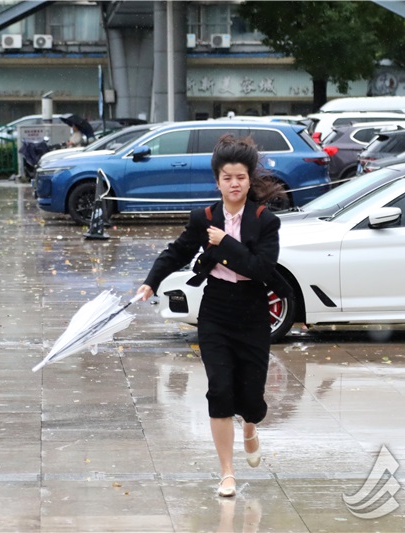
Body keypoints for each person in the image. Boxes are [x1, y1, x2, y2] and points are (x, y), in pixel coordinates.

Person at [136, 135, 286, 498]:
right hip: (216, 308)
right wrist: (150, 283)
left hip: (252, 311)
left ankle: (250, 427)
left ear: (250, 180)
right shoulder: (203, 218)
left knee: (251, 397)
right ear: (217, 181)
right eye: (227, 177)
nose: (234, 184)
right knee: (219, 389)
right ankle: (227, 473)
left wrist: (226, 244)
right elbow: (176, 252)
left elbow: (261, 269)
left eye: (241, 177)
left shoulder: (266, 221)